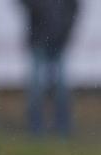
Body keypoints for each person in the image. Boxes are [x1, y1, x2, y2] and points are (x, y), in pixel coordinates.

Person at [18, 0, 80, 137]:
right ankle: (36, 128)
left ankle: (62, 128)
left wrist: (65, 31)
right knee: (37, 87)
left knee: (60, 88)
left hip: (58, 40)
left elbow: (74, 9)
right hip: (39, 39)